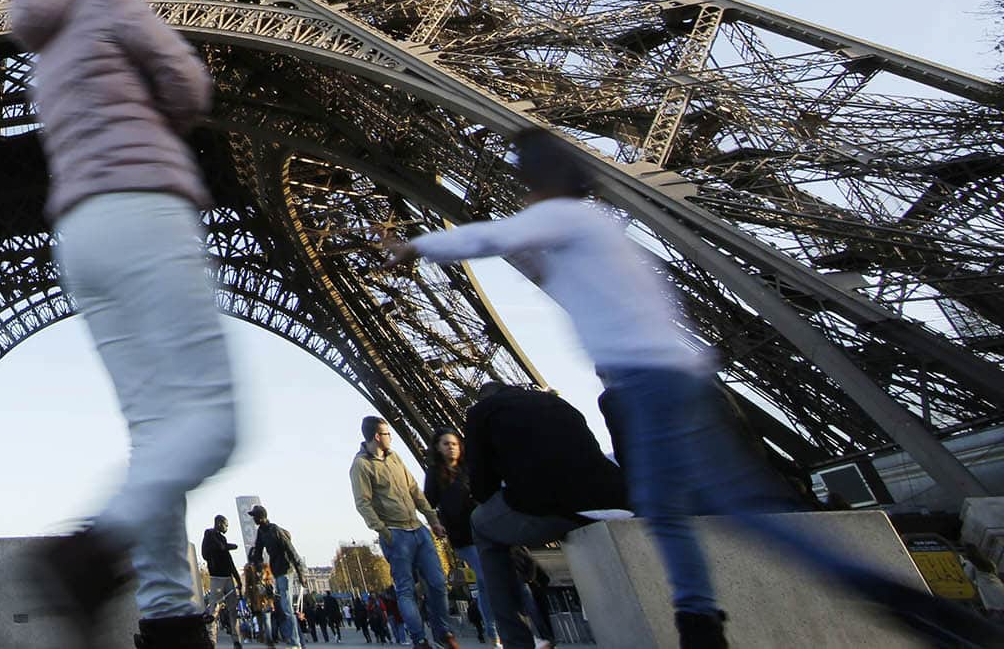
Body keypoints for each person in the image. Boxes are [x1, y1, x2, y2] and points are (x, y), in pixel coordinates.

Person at [389, 127, 1004, 649]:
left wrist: (411, 244)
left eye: (529, 178)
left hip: (647, 387)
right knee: (704, 508)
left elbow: (488, 237)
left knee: (686, 509)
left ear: (546, 179)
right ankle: (718, 615)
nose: (526, 191)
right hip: (680, 376)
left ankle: (732, 615)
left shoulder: (563, 216)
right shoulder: (604, 232)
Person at [9, 0, 238, 649]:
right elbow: (186, 83)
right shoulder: (115, 2)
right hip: (145, 210)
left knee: (155, 436)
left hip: (79, 231)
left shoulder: (46, 42)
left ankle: (169, 615)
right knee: (213, 423)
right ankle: (88, 551)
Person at [458, 382, 626, 649]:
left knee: (481, 524)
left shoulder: (481, 412)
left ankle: (517, 641)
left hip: (552, 507)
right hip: (612, 499)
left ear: (481, 400)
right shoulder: (556, 403)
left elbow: (482, 487)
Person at [349, 416, 458, 649]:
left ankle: (442, 632)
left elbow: (414, 491)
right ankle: (419, 639)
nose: (391, 437)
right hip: (396, 533)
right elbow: (363, 503)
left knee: (438, 583)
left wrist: (432, 520)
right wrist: (385, 532)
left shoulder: (395, 457)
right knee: (406, 589)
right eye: (387, 434)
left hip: (418, 528)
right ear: (377, 437)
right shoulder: (361, 465)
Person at [422, 428, 499, 648]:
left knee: (489, 580)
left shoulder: (469, 468)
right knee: (485, 576)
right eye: (446, 443)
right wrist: (437, 522)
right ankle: (494, 629)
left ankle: (499, 627)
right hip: (462, 535)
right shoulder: (435, 473)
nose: (451, 447)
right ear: (437, 447)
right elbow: (429, 502)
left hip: (485, 528)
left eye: (454, 443)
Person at [247, 504, 304, 646]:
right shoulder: (261, 531)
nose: (253, 519)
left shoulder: (275, 530)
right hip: (276, 571)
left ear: (261, 516)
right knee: (283, 608)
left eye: (254, 516)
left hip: (286, 570)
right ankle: (297, 641)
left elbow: (291, 551)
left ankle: (295, 643)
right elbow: (259, 551)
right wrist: (257, 564)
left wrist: (300, 571)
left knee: (286, 607)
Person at [202, 514, 245, 649]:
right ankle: (212, 639)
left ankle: (236, 640)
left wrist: (237, 578)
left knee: (233, 610)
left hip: (228, 577)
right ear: (219, 523)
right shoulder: (209, 534)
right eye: (225, 524)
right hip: (216, 577)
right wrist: (229, 546)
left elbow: (229, 561)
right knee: (214, 609)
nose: (226, 527)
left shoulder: (222, 538)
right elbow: (216, 549)